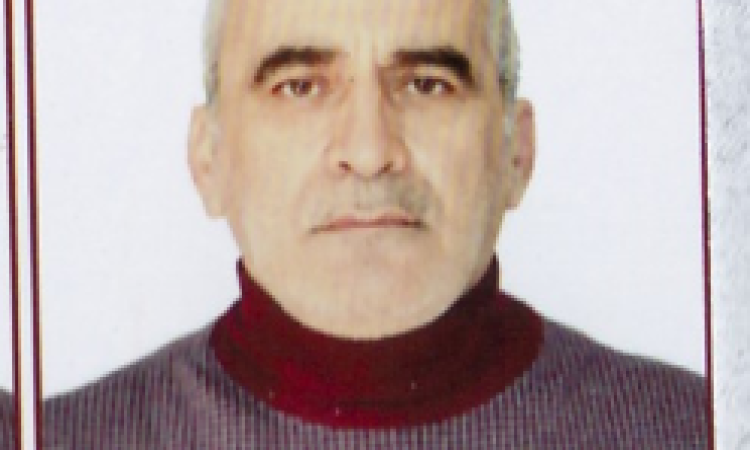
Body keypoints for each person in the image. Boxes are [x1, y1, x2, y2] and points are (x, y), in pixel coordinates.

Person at [43, 0, 708, 448]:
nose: (368, 151)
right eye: (300, 86)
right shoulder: (55, 439)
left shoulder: (702, 430)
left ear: (517, 151)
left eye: (427, 84)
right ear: (207, 158)